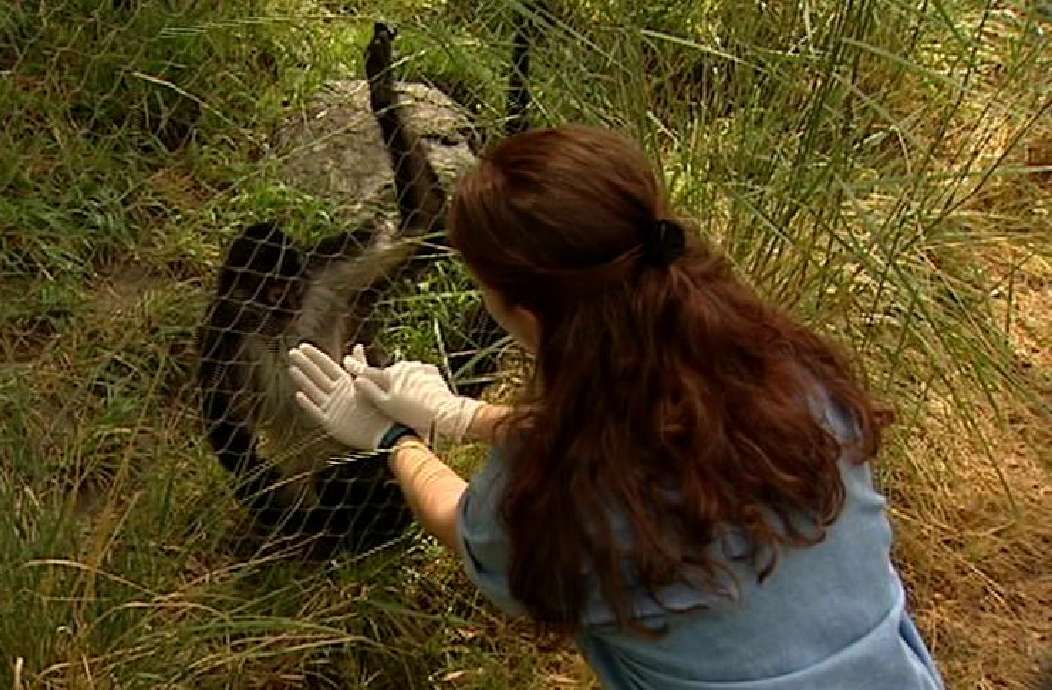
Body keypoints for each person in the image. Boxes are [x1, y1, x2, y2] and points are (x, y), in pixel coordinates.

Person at [286, 125, 945, 689]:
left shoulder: (563, 494)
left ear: (528, 314)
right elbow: (658, 437)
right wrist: (461, 415)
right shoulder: (791, 372)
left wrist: (394, 436)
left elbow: (471, 530)